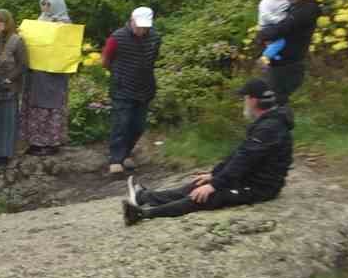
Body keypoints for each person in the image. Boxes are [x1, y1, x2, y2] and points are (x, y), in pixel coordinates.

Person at [124, 79, 294, 224]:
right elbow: (240, 153)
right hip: (248, 179)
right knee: (198, 185)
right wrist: (215, 174)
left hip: (260, 188)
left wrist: (215, 184)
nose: (244, 102)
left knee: (205, 196)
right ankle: (144, 197)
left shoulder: (269, 128)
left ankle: (142, 214)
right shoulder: (268, 122)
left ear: (253, 100)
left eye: (245, 98)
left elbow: (245, 159)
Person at [101, 6, 161, 176]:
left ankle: (126, 153)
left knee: (138, 125)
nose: (141, 29)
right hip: (121, 87)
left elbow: (153, 58)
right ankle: (115, 159)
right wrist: (118, 72)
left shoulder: (155, 38)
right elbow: (105, 60)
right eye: (139, 25)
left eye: (145, 27)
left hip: (145, 87)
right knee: (121, 123)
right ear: (132, 20)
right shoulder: (117, 37)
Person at [258, 0, 322, 105]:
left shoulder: (308, 9)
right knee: (272, 103)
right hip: (280, 63)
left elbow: (285, 27)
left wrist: (262, 35)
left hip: (288, 66)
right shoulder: (295, 3)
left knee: (274, 104)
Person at [22, 0, 72, 156]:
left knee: (52, 107)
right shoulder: (39, 22)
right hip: (37, 74)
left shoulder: (66, 25)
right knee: (36, 106)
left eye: (48, 4)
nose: (45, 7)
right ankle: (35, 142)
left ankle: (51, 143)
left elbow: (67, 50)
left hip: (55, 76)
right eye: (43, 4)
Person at [0, 9, 28, 168]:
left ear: (7, 23)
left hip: (9, 88)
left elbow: (23, 65)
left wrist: (10, 78)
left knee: (6, 121)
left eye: (0, 21)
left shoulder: (16, 40)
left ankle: (4, 154)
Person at [256, 0, 291, 65]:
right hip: (267, 26)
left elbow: (290, 1)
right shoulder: (266, 2)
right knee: (280, 42)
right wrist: (278, 19)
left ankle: (273, 54)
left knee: (277, 43)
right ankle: (265, 57)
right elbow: (265, 15)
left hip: (278, 24)